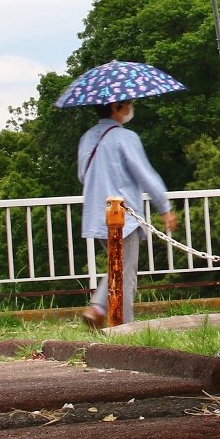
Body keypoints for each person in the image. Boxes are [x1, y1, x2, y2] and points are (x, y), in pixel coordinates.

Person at [78, 98, 176, 329]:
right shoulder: (126, 137)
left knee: (117, 265)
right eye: (128, 103)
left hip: (96, 212)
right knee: (125, 274)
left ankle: (100, 310)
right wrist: (165, 207)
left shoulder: (87, 138)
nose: (131, 107)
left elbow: (83, 175)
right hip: (124, 214)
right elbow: (145, 174)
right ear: (116, 107)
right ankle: (123, 329)